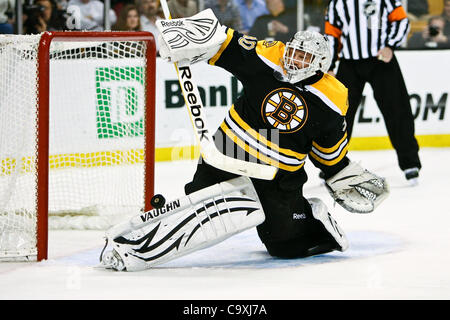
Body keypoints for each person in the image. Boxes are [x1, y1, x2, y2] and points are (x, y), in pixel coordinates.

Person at [99, 9, 389, 271]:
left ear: (320, 65)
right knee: (196, 207)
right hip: (229, 151)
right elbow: (228, 42)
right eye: (294, 52)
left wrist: (340, 171)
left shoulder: (334, 98)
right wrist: (190, 34)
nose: (294, 59)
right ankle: (145, 239)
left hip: (279, 173)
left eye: (304, 57)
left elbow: (328, 150)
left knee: (286, 245)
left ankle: (309, 215)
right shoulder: (269, 55)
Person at [325, 0, 422, 185]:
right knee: (339, 115)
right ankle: (333, 164)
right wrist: (330, 65)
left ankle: (410, 162)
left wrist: (390, 45)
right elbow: (331, 34)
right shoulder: (337, 2)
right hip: (349, 62)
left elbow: (401, 21)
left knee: (397, 109)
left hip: (381, 60)